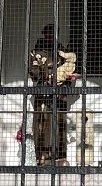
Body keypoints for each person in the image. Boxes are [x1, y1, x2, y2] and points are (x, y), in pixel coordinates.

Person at [29, 23, 77, 163]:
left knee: (60, 123)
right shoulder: (36, 52)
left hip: (59, 92)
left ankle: (61, 157)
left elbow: (69, 69)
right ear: (44, 34)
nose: (51, 36)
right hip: (43, 90)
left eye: (53, 33)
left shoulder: (62, 50)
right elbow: (33, 73)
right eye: (48, 33)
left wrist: (65, 83)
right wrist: (47, 77)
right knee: (42, 123)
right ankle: (42, 157)